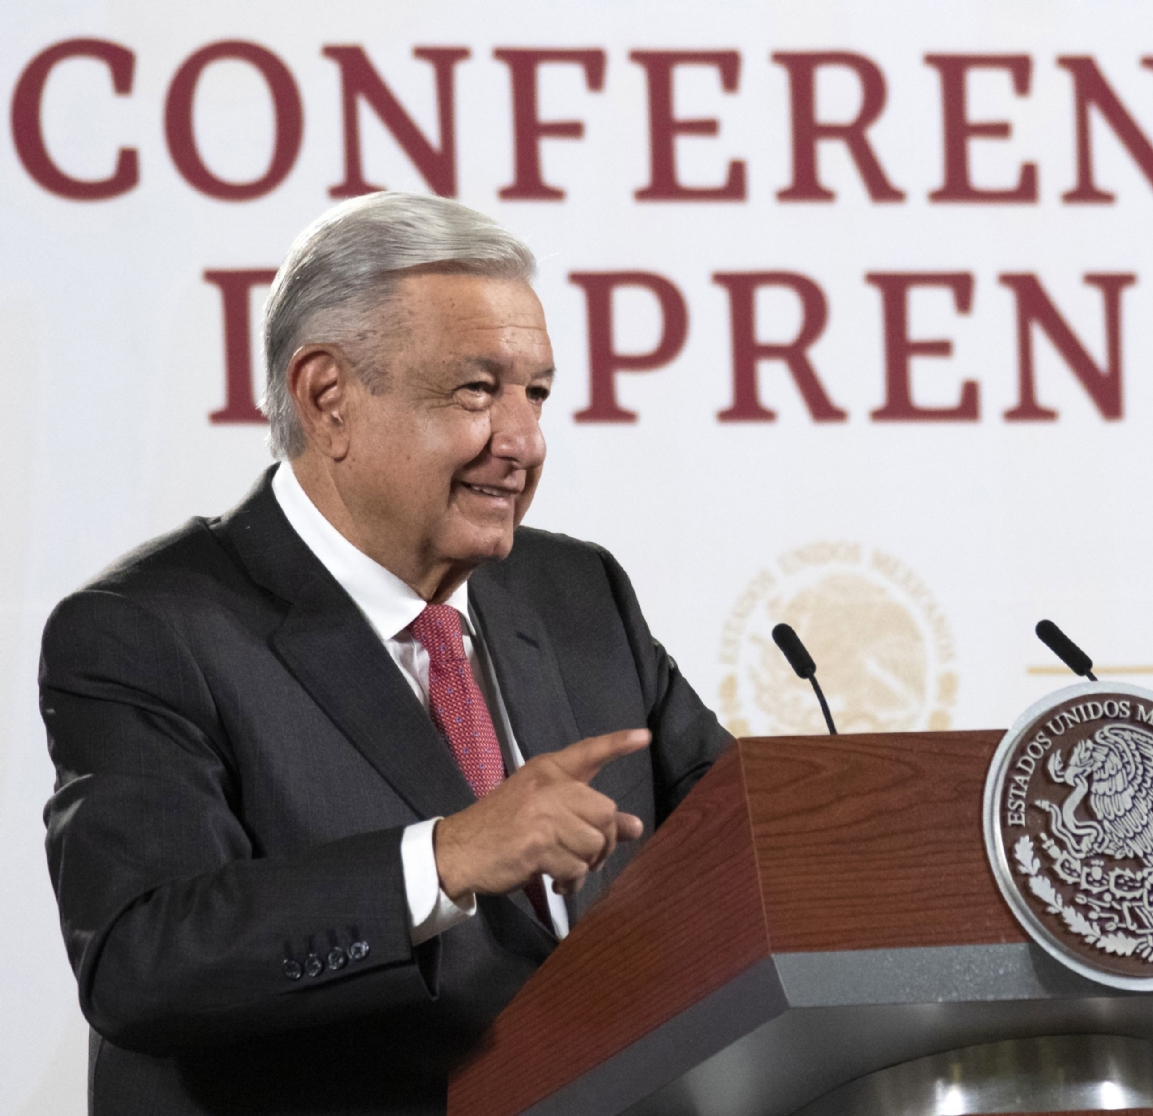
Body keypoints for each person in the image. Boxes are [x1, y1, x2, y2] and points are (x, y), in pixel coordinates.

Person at [39, 193, 732, 1115]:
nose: (523, 441)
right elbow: (143, 962)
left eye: (536, 394)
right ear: (327, 397)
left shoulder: (577, 593)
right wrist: (439, 860)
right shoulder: (147, 631)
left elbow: (745, 839)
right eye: (477, 391)